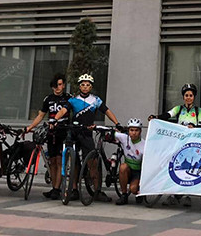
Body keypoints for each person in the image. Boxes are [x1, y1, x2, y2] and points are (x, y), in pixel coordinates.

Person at [53, 73, 120, 202]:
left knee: (92, 163)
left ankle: (97, 191)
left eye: (87, 85)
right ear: (79, 86)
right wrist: (55, 119)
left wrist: (117, 123)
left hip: (87, 133)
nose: (85, 87)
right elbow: (63, 110)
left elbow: (107, 111)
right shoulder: (73, 100)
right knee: (73, 162)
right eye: (82, 85)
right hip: (74, 132)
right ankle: (74, 190)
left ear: (91, 87)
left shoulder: (95, 100)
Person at [150, 83, 201, 207]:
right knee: (176, 168)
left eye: (191, 95)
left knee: (188, 169)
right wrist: (156, 117)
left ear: (194, 97)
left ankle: (186, 196)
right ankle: (173, 195)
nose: (188, 98)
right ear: (183, 97)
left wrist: (194, 126)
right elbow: (168, 115)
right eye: (186, 95)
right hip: (179, 143)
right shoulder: (179, 109)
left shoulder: (198, 111)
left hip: (192, 144)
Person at [24, 73, 71, 200]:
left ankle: (57, 188)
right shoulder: (48, 99)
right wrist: (30, 127)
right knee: (52, 161)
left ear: (64, 85)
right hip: (51, 132)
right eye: (55, 86)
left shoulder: (68, 98)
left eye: (60, 85)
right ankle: (54, 187)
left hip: (63, 131)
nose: (57, 88)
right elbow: (41, 115)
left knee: (60, 160)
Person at [115, 118, 145, 205]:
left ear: (140, 131)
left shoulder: (144, 145)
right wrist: (94, 127)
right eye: (131, 130)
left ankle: (140, 190)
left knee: (133, 189)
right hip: (128, 170)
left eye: (136, 130)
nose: (134, 133)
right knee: (123, 167)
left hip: (138, 172)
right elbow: (111, 133)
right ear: (128, 131)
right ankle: (124, 195)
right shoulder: (125, 138)